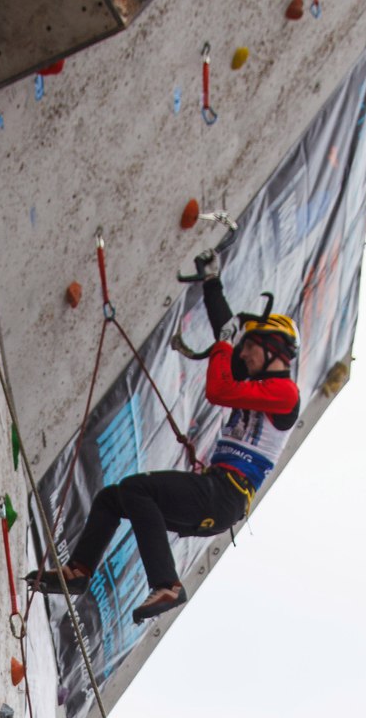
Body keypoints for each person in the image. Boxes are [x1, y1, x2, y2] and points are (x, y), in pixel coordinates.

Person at [27, 249, 300, 624]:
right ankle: (79, 571)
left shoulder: (285, 393)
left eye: (252, 347)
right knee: (113, 498)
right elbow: (226, 333)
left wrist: (223, 344)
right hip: (219, 496)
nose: (245, 354)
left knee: (139, 489)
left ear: (274, 350)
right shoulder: (257, 380)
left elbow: (218, 387)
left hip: (226, 493)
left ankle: (167, 584)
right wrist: (211, 283)